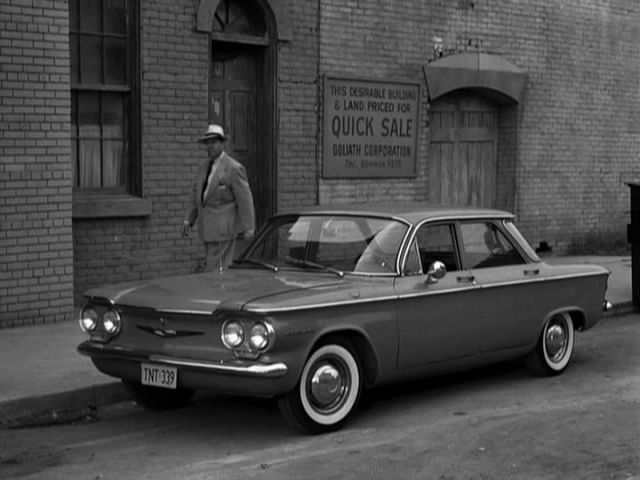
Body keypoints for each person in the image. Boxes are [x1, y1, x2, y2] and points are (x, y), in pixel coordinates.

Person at [182, 124, 255, 271]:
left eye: (213, 142)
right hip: (207, 229)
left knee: (216, 270)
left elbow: (245, 200)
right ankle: (219, 291)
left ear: (223, 144)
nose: (210, 146)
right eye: (207, 143)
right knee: (215, 268)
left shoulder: (234, 168)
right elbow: (196, 194)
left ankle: (218, 293)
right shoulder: (203, 167)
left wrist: (249, 228)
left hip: (223, 230)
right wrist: (189, 219)